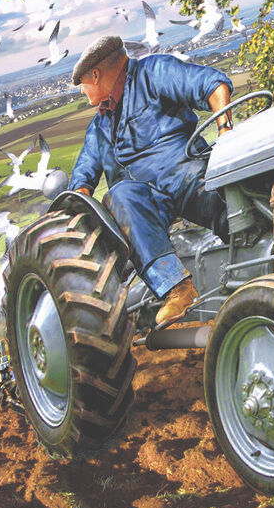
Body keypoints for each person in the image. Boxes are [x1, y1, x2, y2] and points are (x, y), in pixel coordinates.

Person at [68, 36, 233, 326]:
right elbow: (82, 181)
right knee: (119, 196)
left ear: (95, 74)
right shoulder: (99, 127)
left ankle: (266, 256)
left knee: (232, 215)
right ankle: (177, 290)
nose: (82, 91)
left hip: (187, 174)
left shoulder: (154, 72)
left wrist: (226, 131)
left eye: (82, 83)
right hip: (150, 203)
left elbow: (212, 85)